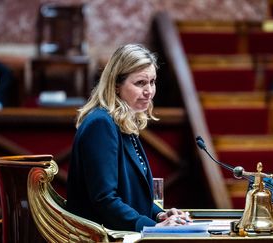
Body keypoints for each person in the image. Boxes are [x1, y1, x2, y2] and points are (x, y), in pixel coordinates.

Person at [66, 44, 191, 232]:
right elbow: (104, 199)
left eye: (152, 82)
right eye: (140, 83)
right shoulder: (101, 124)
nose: (149, 91)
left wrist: (159, 215)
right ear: (116, 85)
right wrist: (155, 228)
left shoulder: (121, 122)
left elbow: (131, 196)